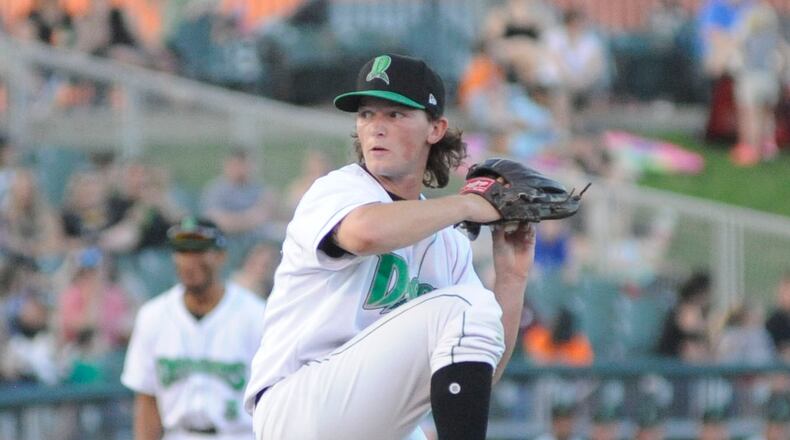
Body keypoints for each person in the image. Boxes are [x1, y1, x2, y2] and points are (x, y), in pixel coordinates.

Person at [244, 53, 537, 440]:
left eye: (395, 115)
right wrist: (468, 204)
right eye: (366, 114)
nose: (375, 128)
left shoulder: (449, 242)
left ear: (436, 129)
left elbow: (482, 367)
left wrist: (512, 280)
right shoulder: (339, 189)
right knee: (468, 305)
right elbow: (364, 233)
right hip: (300, 405)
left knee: (473, 312)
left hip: (372, 420)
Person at [121, 217, 267, 440]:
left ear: (220, 255)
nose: (190, 260)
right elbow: (146, 400)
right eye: (183, 251)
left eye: (199, 250)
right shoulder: (152, 316)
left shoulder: (255, 315)